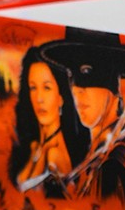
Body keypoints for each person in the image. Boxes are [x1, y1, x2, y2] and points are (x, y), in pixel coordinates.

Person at [41, 29, 125, 210]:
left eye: (87, 73)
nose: (77, 90)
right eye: (71, 76)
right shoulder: (100, 153)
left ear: (112, 84)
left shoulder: (116, 165)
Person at [7, 46, 89, 197]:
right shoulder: (33, 147)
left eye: (47, 88)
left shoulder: (55, 153)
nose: (39, 98)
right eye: (33, 88)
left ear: (61, 97)